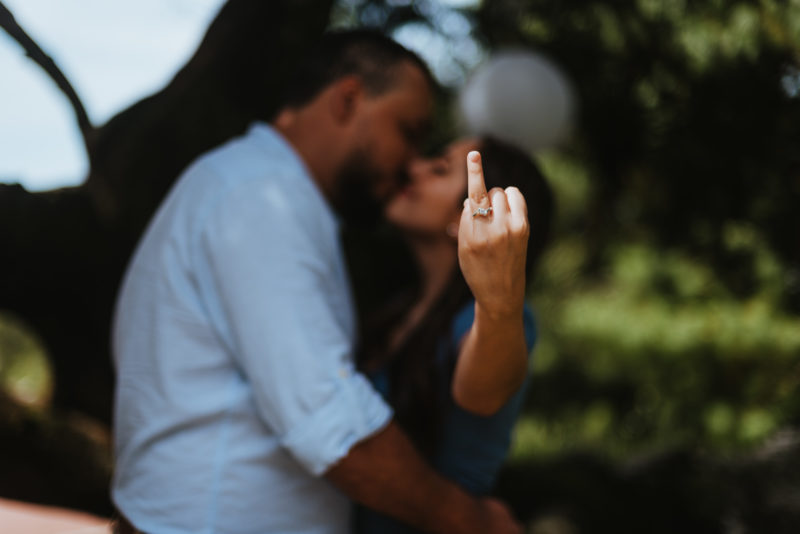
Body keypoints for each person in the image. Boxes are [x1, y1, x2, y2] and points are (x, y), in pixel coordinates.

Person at [110, 30, 522, 534]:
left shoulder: (265, 193)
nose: (411, 164)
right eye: (409, 131)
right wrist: (470, 521)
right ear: (348, 99)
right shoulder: (262, 199)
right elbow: (331, 425)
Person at [354, 137, 554, 533]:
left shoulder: (496, 320)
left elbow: (482, 393)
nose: (415, 168)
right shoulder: (398, 312)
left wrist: (499, 301)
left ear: (471, 211)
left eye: (440, 169)